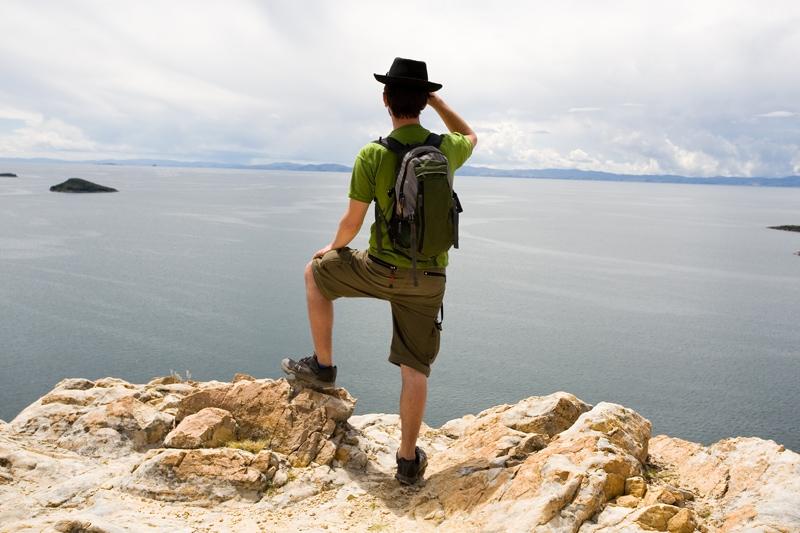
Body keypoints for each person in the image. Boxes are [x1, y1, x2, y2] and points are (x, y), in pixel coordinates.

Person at [282, 57, 477, 485]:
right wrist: (438, 101)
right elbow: (470, 134)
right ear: (423, 102)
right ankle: (407, 461)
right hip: (428, 280)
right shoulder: (446, 149)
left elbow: (352, 222)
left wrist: (330, 250)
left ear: (385, 100)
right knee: (415, 369)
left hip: (378, 268)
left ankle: (323, 366)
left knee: (315, 275)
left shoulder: (372, 153)